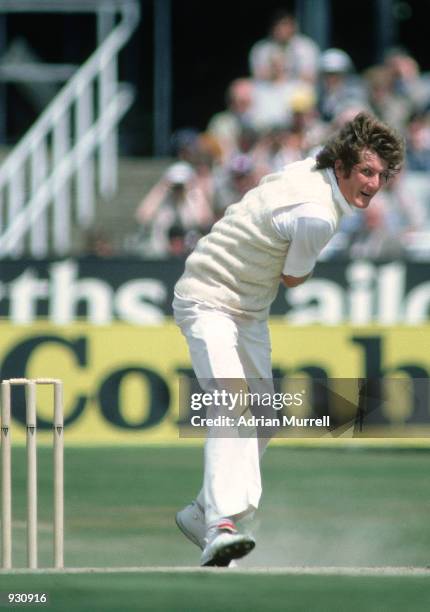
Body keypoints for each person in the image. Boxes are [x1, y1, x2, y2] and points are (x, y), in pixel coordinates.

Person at [172, 113, 404, 567]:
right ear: (342, 167)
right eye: (366, 172)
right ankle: (220, 525)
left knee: (263, 419)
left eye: (381, 175)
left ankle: (201, 512)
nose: (374, 184)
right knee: (231, 404)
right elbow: (294, 277)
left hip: (249, 309)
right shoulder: (317, 215)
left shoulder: (314, 168)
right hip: (207, 296)